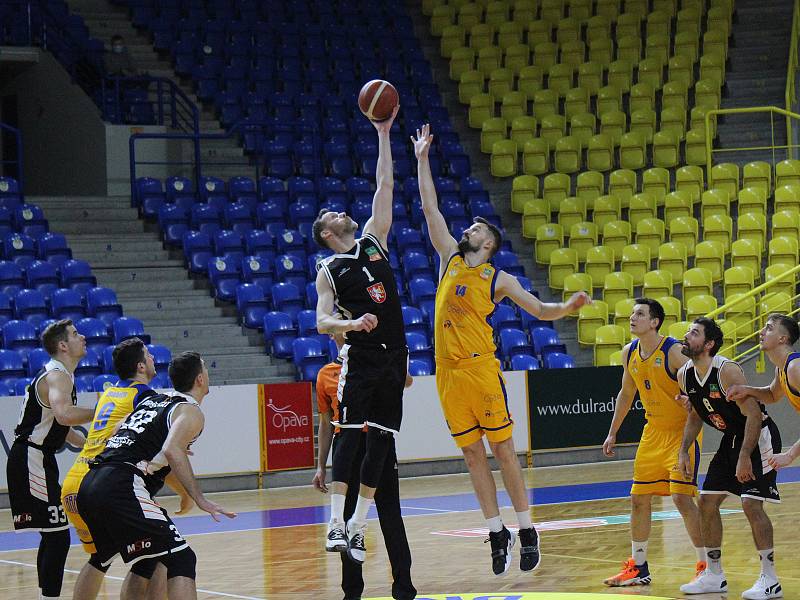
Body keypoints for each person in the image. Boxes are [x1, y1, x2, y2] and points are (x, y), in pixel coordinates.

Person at [411, 123, 590, 575]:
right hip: (447, 374)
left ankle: (527, 528)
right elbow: (429, 207)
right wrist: (421, 158)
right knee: (472, 456)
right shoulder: (449, 257)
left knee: (504, 451)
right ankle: (496, 532)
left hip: (480, 369)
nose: (466, 228)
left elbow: (539, 309)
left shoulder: (498, 278)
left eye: (474, 228)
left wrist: (567, 307)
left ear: (487, 244)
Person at [312, 105, 407, 564]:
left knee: (384, 440)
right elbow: (321, 322)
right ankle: (334, 522)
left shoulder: (373, 240)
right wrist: (351, 325)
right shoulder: (328, 268)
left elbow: (384, 186)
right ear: (328, 233)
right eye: (334, 215)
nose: (342, 213)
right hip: (363, 355)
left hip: (396, 354)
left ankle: (356, 526)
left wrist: (384, 134)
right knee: (350, 435)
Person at [76, 352, 236, 600]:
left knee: (148, 558)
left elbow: (117, 431)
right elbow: (172, 451)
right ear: (200, 379)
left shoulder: (154, 400)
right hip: (121, 484)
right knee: (182, 559)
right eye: (205, 368)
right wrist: (200, 499)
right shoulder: (191, 411)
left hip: (92, 481)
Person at [62, 338, 192, 600]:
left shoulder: (108, 392)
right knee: (162, 554)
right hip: (110, 482)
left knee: (100, 558)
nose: (154, 358)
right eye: (148, 355)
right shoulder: (144, 397)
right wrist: (186, 492)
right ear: (141, 366)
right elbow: (161, 458)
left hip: (76, 483)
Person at [676, 318, 782, 599]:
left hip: (757, 436)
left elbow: (754, 416)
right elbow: (695, 414)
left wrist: (745, 456)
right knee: (707, 501)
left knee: (750, 505)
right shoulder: (684, 374)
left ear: (708, 344)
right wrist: (683, 450)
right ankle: (713, 575)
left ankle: (770, 580)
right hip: (732, 439)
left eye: (694, 333)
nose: (686, 336)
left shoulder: (727, 371)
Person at [601, 298, 705, 587]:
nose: (633, 318)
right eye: (633, 313)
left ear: (655, 322)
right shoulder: (629, 352)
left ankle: (704, 565)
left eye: (640, 314)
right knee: (638, 498)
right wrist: (613, 432)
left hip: (683, 433)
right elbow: (626, 394)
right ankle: (639, 567)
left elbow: (699, 381)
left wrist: (693, 400)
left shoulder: (673, 351)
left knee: (682, 498)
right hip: (653, 432)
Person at [313, 330, 416, 600]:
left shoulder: (375, 360)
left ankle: (404, 586)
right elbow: (325, 424)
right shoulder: (325, 374)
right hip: (347, 446)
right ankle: (352, 592)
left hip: (379, 441)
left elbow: (406, 381)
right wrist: (321, 466)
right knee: (346, 520)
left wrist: (394, 362)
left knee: (390, 514)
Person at [5, 319, 94, 600]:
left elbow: (63, 428)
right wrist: (102, 411)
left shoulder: (60, 375)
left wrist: (94, 443)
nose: (83, 337)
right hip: (31, 458)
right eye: (76, 334)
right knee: (57, 535)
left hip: (37, 459)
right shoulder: (57, 376)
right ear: (63, 345)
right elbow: (65, 414)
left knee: (52, 532)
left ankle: (47, 597)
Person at [727, 313, 800, 469]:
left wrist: (790, 455)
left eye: (769, 328)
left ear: (782, 338)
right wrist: (746, 390)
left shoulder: (795, 368)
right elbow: (772, 395)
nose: (761, 332)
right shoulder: (782, 368)